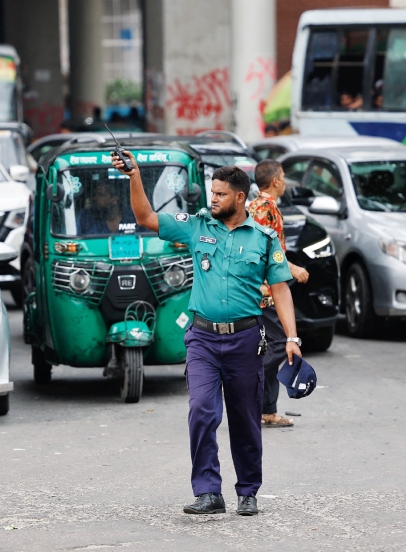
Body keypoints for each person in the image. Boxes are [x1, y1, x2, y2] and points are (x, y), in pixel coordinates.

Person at [113, 152, 300, 518]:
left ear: (240, 198)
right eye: (212, 192)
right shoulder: (197, 226)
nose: (212, 199)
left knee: (245, 418)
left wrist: (292, 338)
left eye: (220, 194)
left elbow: (280, 289)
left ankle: (248, 491)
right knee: (201, 411)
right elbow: (146, 217)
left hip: (246, 339)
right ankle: (208, 492)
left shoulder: (263, 238)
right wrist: (134, 175)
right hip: (202, 339)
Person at [247, 160, 310, 428]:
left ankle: (268, 411)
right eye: (283, 176)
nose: (285, 181)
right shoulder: (265, 207)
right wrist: (293, 268)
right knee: (279, 345)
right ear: (275, 181)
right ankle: (243, 383)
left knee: (270, 349)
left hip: (264, 288)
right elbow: (263, 249)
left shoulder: (259, 206)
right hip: (266, 291)